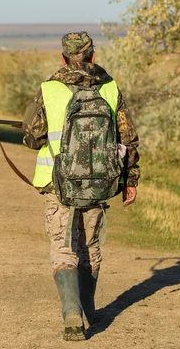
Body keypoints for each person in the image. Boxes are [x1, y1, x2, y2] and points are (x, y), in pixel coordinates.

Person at [22, 31, 140, 341]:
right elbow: (127, 139)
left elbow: (32, 138)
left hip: (57, 184)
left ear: (63, 58)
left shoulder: (49, 90)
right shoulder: (111, 88)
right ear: (93, 56)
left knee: (64, 247)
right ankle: (90, 310)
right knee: (91, 246)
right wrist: (131, 179)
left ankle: (72, 313)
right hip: (100, 185)